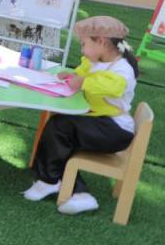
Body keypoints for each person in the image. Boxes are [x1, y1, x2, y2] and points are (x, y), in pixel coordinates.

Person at [24, 16, 138, 216]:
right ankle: (81, 194)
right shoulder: (97, 61)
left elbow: (113, 86)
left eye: (84, 44)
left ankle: (49, 180)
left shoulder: (123, 69)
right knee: (61, 132)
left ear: (101, 42)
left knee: (60, 126)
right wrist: (71, 75)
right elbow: (82, 72)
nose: (83, 50)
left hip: (115, 130)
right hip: (103, 123)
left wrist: (83, 82)